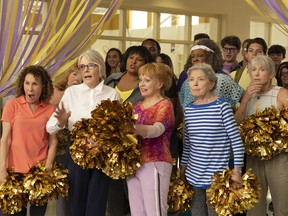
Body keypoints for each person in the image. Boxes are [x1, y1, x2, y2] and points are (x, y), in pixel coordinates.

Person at [46, 49, 120, 216]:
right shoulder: (72, 92)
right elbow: (50, 127)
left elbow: (119, 130)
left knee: (97, 203)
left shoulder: (112, 94)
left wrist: (102, 141)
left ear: (100, 68)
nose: (85, 70)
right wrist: (62, 122)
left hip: (102, 154)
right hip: (76, 152)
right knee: (76, 203)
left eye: (90, 65)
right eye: (82, 66)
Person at [181, 63, 244, 216]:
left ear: (212, 83)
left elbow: (236, 142)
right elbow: (188, 143)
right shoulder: (188, 109)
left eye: (200, 79)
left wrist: (237, 171)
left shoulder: (222, 106)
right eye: (191, 79)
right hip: (193, 175)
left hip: (217, 177)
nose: (195, 83)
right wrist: (182, 168)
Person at [234, 55, 288, 216]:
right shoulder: (247, 95)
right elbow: (237, 121)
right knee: (254, 204)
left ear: (272, 74)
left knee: (282, 204)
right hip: (253, 156)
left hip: (278, 156)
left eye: (262, 70)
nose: (256, 74)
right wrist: (245, 100)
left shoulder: (282, 93)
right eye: (253, 70)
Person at [0, 65, 57, 216]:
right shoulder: (12, 105)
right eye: (27, 83)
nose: (30, 88)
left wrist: (49, 165)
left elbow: (53, 141)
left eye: (35, 84)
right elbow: (5, 138)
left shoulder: (50, 109)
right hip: (14, 172)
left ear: (43, 86)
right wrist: (1, 169)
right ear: (22, 85)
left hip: (39, 172)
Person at [105, 45, 153, 216]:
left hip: (135, 144)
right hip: (111, 143)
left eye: (139, 59)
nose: (134, 61)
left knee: (133, 194)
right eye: (131, 57)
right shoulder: (112, 79)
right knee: (114, 193)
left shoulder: (146, 86)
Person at [127, 63, 175, 216]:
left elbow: (157, 130)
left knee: (155, 212)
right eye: (140, 80)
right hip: (134, 164)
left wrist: (131, 129)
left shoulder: (165, 104)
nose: (142, 84)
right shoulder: (136, 106)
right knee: (137, 212)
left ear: (160, 83)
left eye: (147, 80)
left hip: (156, 161)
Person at [49, 62, 82, 216]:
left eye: (80, 74)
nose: (78, 77)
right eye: (74, 73)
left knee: (75, 189)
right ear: (67, 75)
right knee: (63, 190)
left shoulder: (84, 93)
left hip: (78, 148)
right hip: (58, 147)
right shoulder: (57, 92)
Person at [179, 39, 244, 109]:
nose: (195, 59)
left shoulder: (223, 80)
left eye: (200, 56)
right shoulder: (187, 83)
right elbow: (182, 110)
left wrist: (236, 117)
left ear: (210, 57)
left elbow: (244, 99)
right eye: (192, 56)